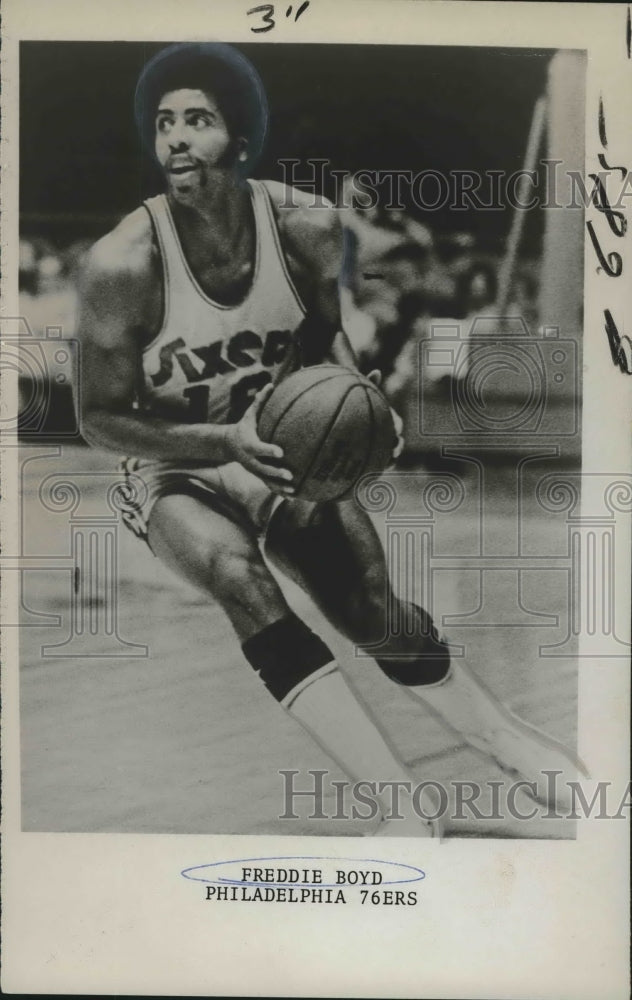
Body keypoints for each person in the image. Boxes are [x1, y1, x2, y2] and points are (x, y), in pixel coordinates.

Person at [78, 42, 585, 838]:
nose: (174, 137)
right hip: (178, 463)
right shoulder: (121, 264)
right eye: (165, 122)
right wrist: (220, 442)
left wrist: (365, 406)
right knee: (242, 577)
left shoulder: (307, 227)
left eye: (198, 120)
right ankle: (406, 810)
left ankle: (512, 747)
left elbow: (327, 343)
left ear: (240, 141)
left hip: (282, 449)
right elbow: (97, 416)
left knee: (370, 611)